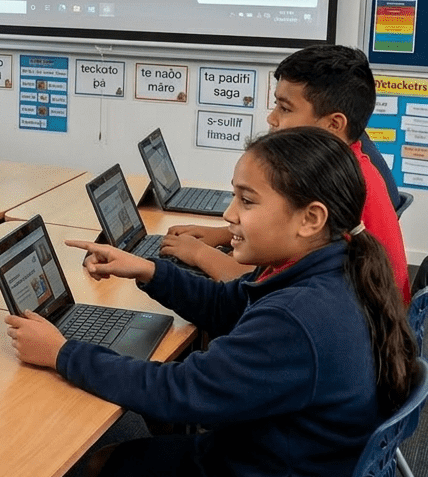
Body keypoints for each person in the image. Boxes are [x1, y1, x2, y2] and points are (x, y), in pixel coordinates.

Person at [7, 127, 418, 477]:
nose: (228, 215)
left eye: (247, 200)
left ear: (310, 218)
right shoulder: (333, 267)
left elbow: (176, 392)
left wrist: (62, 353)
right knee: (106, 463)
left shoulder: (301, 319)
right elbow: (235, 307)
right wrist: (150, 270)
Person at [162, 44, 411, 301]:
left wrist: (198, 254)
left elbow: (251, 283)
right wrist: (223, 235)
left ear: (333, 124)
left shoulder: (332, 187)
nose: (272, 118)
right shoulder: (353, 162)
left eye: (285, 108)